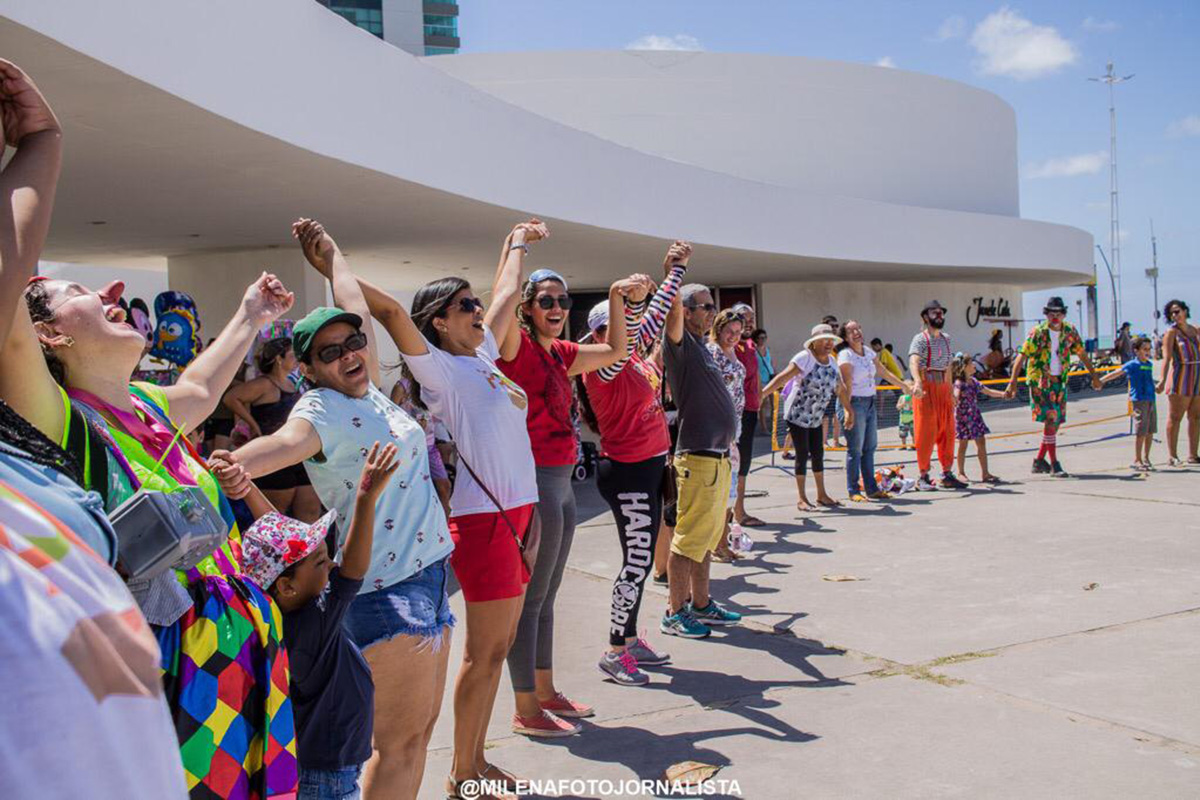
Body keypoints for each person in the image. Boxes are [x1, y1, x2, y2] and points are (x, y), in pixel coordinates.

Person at [210, 220, 454, 800]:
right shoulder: (318, 410)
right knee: (397, 746)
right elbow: (282, 445)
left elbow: (353, 304)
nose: (349, 352)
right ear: (309, 369)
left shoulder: (365, 390)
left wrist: (332, 256)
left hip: (428, 575)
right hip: (386, 589)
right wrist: (226, 466)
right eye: (330, 352)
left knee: (416, 738)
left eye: (353, 344)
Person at [0, 57, 190, 800]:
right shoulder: (52, 412)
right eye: (78, 294)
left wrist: (42, 140)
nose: (113, 295)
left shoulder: (35, 458)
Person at [499, 262, 646, 736]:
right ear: (526, 307)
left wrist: (617, 296)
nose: (558, 308)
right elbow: (501, 311)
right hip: (537, 481)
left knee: (548, 597)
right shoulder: (515, 347)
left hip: (561, 483)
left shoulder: (561, 353)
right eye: (546, 300)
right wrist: (516, 248)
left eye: (563, 301)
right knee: (531, 599)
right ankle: (526, 708)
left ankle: (544, 691)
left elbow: (617, 349)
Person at [240, 443, 398, 800]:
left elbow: (284, 546)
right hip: (327, 775)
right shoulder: (312, 624)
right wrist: (365, 500)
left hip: (318, 764)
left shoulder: (285, 616)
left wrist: (248, 490)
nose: (329, 564)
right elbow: (352, 573)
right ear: (287, 586)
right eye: (320, 561)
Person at [576, 241, 690, 686]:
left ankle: (627, 637)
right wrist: (624, 299)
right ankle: (614, 650)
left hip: (646, 468)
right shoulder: (602, 365)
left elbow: (653, 322)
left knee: (638, 561)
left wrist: (674, 271)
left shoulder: (634, 359)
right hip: (626, 471)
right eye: (611, 326)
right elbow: (634, 336)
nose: (619, 333)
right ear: (599, 333)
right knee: (637, 562)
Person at [660, 280, 744, 640]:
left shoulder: (703, 348)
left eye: (712, 306)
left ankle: (701, 603)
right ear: (686, 311)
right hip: (697, 456)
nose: (712, 312)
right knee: (688, 539)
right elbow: (670, 312)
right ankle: (676, 612)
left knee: (706, 537)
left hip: (717, 456)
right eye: (705, 306)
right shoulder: (680, 344)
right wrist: (673, 273)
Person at [222, 336, 322, 521]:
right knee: (276, 515)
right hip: (273, 455)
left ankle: (311, 550)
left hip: (299, 455)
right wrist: (252, 424)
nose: (296, 360)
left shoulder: (294, 383)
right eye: (292, 355)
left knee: (310, 512)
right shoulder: (264, 384)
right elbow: (231, 398)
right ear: (279, 359)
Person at [1004, 296, 1102, 477]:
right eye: (1051, 313)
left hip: (1059, 382)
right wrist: (1013, 382)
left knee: (1054, 424)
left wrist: (1094, 376)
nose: (1055, 317)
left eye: (1058, 313)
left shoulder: (1070, 331)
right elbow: (1022, 355)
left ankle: (1039, 460)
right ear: (1046, 314)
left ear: (1064, 314)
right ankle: (1055, 464)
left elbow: (1082, 354)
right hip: (1041, 382)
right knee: (1050, 419)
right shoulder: (1038, 333)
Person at [761, 324, 855, 511]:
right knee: (802, 453)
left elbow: (840, 388)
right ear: (814, 342)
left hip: (815, 416)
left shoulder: (832, 362)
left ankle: (822, 495)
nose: (829, 343)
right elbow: (782, 377)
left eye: (831, 340)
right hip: (797, 414)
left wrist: (849, 410)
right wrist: (762, 394)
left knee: (818, 453)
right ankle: (802, 498)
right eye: (825, 339)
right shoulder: (805, 358)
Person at [837, 321, 910, 500]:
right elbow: (845, 384)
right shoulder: (845, 355)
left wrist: (904, 386)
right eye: (851, 330)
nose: (856, 332)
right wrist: (848, 410)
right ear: (845, 337)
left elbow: (883, 372)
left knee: (870, 447)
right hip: (855, 402)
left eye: (858, 328)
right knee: (855, 449)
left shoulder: (868, 351)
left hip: (870, 402)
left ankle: (871, 489)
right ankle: (853, 490)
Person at [908, 300, 964, 490]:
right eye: (934, 313)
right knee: (926, 432)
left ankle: (947, 473)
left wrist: (950, 392)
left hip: (942, 388)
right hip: (927, 387)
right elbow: (914, 361)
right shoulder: (920, 339)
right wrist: (917, 381)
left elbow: (948, 367)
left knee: (947, 431)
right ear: (925, 317)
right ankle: (923, 476)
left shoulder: (947, 339)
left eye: (941, 312)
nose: (939, 315)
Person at [707, 309, 749, 561]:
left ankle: (721, 542)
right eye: (729, 331)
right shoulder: (711, 352)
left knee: (729, 489)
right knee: (719, 491)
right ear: (718, 329)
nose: (733, 336)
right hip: (715, 428)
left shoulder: (734, 352)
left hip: (734, 428)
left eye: (738, 332)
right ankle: (717, 545)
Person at [390, 376, 452, 517]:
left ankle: (445, 525)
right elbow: (390, 417)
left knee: (444, 486)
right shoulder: (402, 386)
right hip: (411, 448)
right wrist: (411, 425)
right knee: (417, 491)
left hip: (429, 446)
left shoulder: (428, 383)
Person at [730, 304, 765, 527]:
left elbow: (757, 377)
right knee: (735, 463)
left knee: (744, 463)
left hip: (751, 410)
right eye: (744, 317)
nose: (749, 321)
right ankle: (735, 512)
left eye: (751, 318)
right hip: (735, 413)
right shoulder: (730, 346)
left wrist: (760, 398)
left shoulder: (751, 345)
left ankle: (739, 510)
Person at [1156, 300, 1200, 466]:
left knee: (1195, 417)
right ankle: (1173, 455)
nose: (1175, 315)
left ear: (1185, 311)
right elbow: (1166, 358)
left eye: (1177, 311)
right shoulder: (1171, 333)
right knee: (1175, 417)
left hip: (1197, 376)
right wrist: (1162, 380)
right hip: (1181, 377)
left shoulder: (1196, 330)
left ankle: (1193, 454)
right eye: (1172, 313)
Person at [1103, 337, 1157, 471]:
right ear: (1136, 350)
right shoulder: (1132, 364)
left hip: (1151, 399)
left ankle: (1146, 458)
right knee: (1141, 431)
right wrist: (1101, 380)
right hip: (1139, 400)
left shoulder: (1149, 364)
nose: (1147, 352)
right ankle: (1137, 459)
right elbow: (1117, 373)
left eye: (1149, 349)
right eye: (1144, 349)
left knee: (1150, 431)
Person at [951, 353, 1006, 484]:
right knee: (962, 444)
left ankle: (985, 473)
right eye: (971, 363)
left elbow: (988, 391)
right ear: (964, 367)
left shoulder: (974, 381)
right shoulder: (960, 383)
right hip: (963, 417)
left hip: (974, 416)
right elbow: (955, 395)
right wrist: (953, 396)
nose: (974, 365)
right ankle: (961, 472)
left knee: (981, 443)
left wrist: (1004, 394)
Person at [820, 314, 843, 448]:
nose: (835, 328)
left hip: (838, 383)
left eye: (836, 326)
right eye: (832, 326)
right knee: (825, 416)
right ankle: (823, 442)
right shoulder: (820, 343)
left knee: (836, 414)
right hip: (824, 384)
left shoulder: (839, 344)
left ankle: (836, 440)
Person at [753, 329, 776, 434]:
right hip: (760, 380)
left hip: (770, 378)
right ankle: (764, 428)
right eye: (761, 338)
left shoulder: (767, 350)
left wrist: (776, 374)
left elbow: (771, 363)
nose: (763, 340)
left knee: (773, 404)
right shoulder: (753, 351)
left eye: (764, 338)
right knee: (764, 404)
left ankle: (774, 427)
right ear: (756, 339)